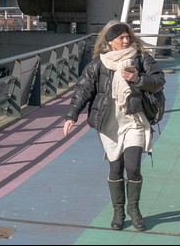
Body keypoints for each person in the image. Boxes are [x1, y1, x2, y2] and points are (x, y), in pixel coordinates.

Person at [62, 20, 165, 231]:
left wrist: (138, 78)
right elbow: (83, 91)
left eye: (128, 37)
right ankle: (118, 211)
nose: (126, 41)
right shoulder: (98, 65)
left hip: (135, 120)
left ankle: (134, 210)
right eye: (121, 38)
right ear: (109, 43)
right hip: (109, 124)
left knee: (133, 168)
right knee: (115, 168)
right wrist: (71, 115)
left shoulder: (142, 58)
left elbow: (158, 80)